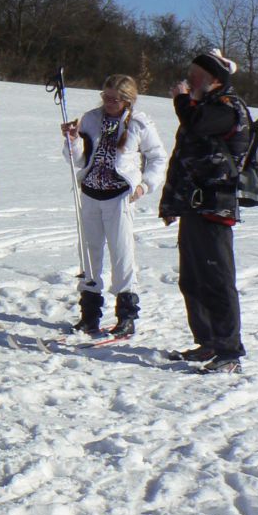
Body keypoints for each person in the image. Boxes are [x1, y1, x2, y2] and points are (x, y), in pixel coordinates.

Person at [158, 49, 250, 374]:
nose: (189, 79)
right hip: (192, 207)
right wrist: (170, 203)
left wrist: (182, 99)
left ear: (213, 79)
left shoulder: (227, 107)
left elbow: (196, 124)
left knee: (217, 281)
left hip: (215, 208)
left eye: (195, 75)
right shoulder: (202, 107)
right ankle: (207, 342)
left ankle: (229, 352)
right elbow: (181, 159)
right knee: (192, 280)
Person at [61, 74, 167, 336]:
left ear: (127, 101)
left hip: (119, 197)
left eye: (114, 100)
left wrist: (144, 186)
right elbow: (77, 159)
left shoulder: (139, 123)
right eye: (105, 97)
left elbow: (158, 157)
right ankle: (89, 315)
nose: (108, 103)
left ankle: (126, 315)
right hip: (90, 193)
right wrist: (72, 140)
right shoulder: (90, 119)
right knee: (89, 254)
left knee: (122, 255)